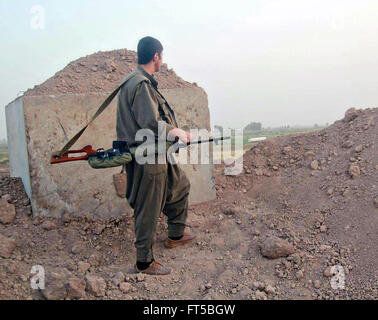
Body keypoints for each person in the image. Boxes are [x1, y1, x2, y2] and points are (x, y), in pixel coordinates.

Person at [116, 36, 196, 275]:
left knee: (180, 188)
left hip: (159, 154)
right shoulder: (139, 84)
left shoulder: (137, 81)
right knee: (148, 209)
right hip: (149, 159)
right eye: (162, 56)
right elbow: (149, 123)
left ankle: (175, 235)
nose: (163, 61)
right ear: (156, 56)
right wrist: (176, 131)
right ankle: (144, 262)